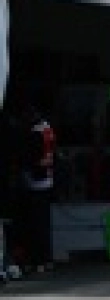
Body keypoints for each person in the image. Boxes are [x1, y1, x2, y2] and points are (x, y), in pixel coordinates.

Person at [18, 104, 56, 274]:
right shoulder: (48, 129)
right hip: (47, 178)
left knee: (35, 224)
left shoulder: (35, 133)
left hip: (35, 180)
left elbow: (28, 157)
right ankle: (45, 259)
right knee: (43, 223)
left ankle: (38, 259)